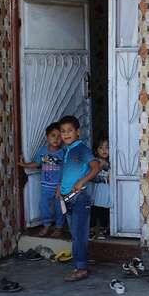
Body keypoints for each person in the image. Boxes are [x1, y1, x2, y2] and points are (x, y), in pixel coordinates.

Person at [57, 115, 100, 282]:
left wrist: (82, 181)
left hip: (80, 197)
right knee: (75, 234)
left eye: (69, 131)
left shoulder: (82, 149)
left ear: (77, 132)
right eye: (63, 131)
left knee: (79, 234)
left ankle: (81, 268)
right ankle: (80, 263)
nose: (66, 134)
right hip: (66, 198)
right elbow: (66, 172)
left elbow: (95, 168)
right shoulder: (66, 151)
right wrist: (60, 187)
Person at [19, 122, 65, 238]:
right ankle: (46, 225)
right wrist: (24, 164)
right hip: (45, 186)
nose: (56, 139)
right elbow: (37, 163)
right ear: (47, 137)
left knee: (59, 208)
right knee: (43, 206)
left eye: (59, 136)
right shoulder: (43, 151)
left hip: (59, 187)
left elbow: (66, 171)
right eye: (53, 135)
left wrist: (60, 186)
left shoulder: (63, 153)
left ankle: (59, 227)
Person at [89, 138, 111, 240]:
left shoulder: (113, 163)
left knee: (105, 211)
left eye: (107, 147)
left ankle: (103, 229)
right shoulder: (95, 162)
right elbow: (91, 177)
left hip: (107, 193)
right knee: (94, 211)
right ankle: (92, 230)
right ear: (96, 150)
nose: (104, 150)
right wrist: (100, 168)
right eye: (101, 148)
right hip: (96, 192)